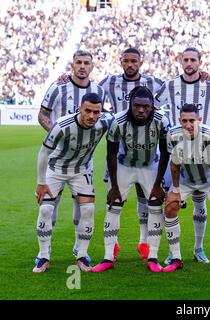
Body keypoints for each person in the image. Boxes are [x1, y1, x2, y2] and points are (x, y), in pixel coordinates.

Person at [155, 47, 210, 264]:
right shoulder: (170, 85)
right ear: (181, 62)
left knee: (202, 204)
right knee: (171, 203)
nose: (189, 63)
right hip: (177, 147)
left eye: (193, 60)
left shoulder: (209, 85)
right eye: (186, 60)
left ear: (200, 62)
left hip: (203, 148)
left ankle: (199, 248)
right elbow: (155, 106)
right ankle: (173, 252)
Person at [91, 86, 170, 273]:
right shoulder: (118, 121)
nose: (141, 110)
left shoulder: (161, 121)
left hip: (150, 166)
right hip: (124, 166)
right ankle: (108, 257)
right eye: (137, 106)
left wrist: (158, 184)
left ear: (152, 107)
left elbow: (166, 153)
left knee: (155, 206)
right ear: (130, 105)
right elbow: (110, 154)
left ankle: (153, 256)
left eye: (145, 106)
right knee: (114, 205)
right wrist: (114, 186)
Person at [33, 93, 113, 273]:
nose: (92, 116)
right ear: (79, 109)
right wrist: (40, 182)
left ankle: (82, 254)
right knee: (46, 209)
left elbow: (123, 116)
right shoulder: (62, 125)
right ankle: (43, 255)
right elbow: (44, 153)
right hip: (56, 168)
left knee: (88, 209)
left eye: (96, 112)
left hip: (81, 170)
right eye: (87, 111)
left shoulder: (105, 121)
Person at [37, 49, 105, 263]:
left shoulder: (98, 90)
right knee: (49, 207)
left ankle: (79, 248)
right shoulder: (59, 86)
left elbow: (103, 118)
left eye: (86, 63)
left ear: (92, 66)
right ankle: (44, 253)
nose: (82, 66)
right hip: (56, 158)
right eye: (78, 62)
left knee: (82, 207)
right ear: (72, 65)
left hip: (84, 161)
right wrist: (57, 136)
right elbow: (43, 114)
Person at [97, 48, 164, 261]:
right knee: (115, 198)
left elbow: (173, 91)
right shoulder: (109, 81)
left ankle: (144, 242)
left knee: (146, 198)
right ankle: (112, 246)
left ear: (140, 62)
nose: (130, 64)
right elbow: (92, 94)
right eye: (126, 61)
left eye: (134, 61)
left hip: (147, 148)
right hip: (121, 149)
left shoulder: (154, 83)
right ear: (121, 62)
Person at [163, 103, 210, 274]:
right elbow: (174, 163)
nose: (188, 124)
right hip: (186, 178)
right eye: (184, 121)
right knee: (170, 206)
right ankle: (176, 257)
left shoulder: (209, 135)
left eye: (192, 120)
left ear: (199, 120)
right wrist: (176, 190)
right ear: (179, 120)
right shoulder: (173, 134)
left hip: (208, 179)